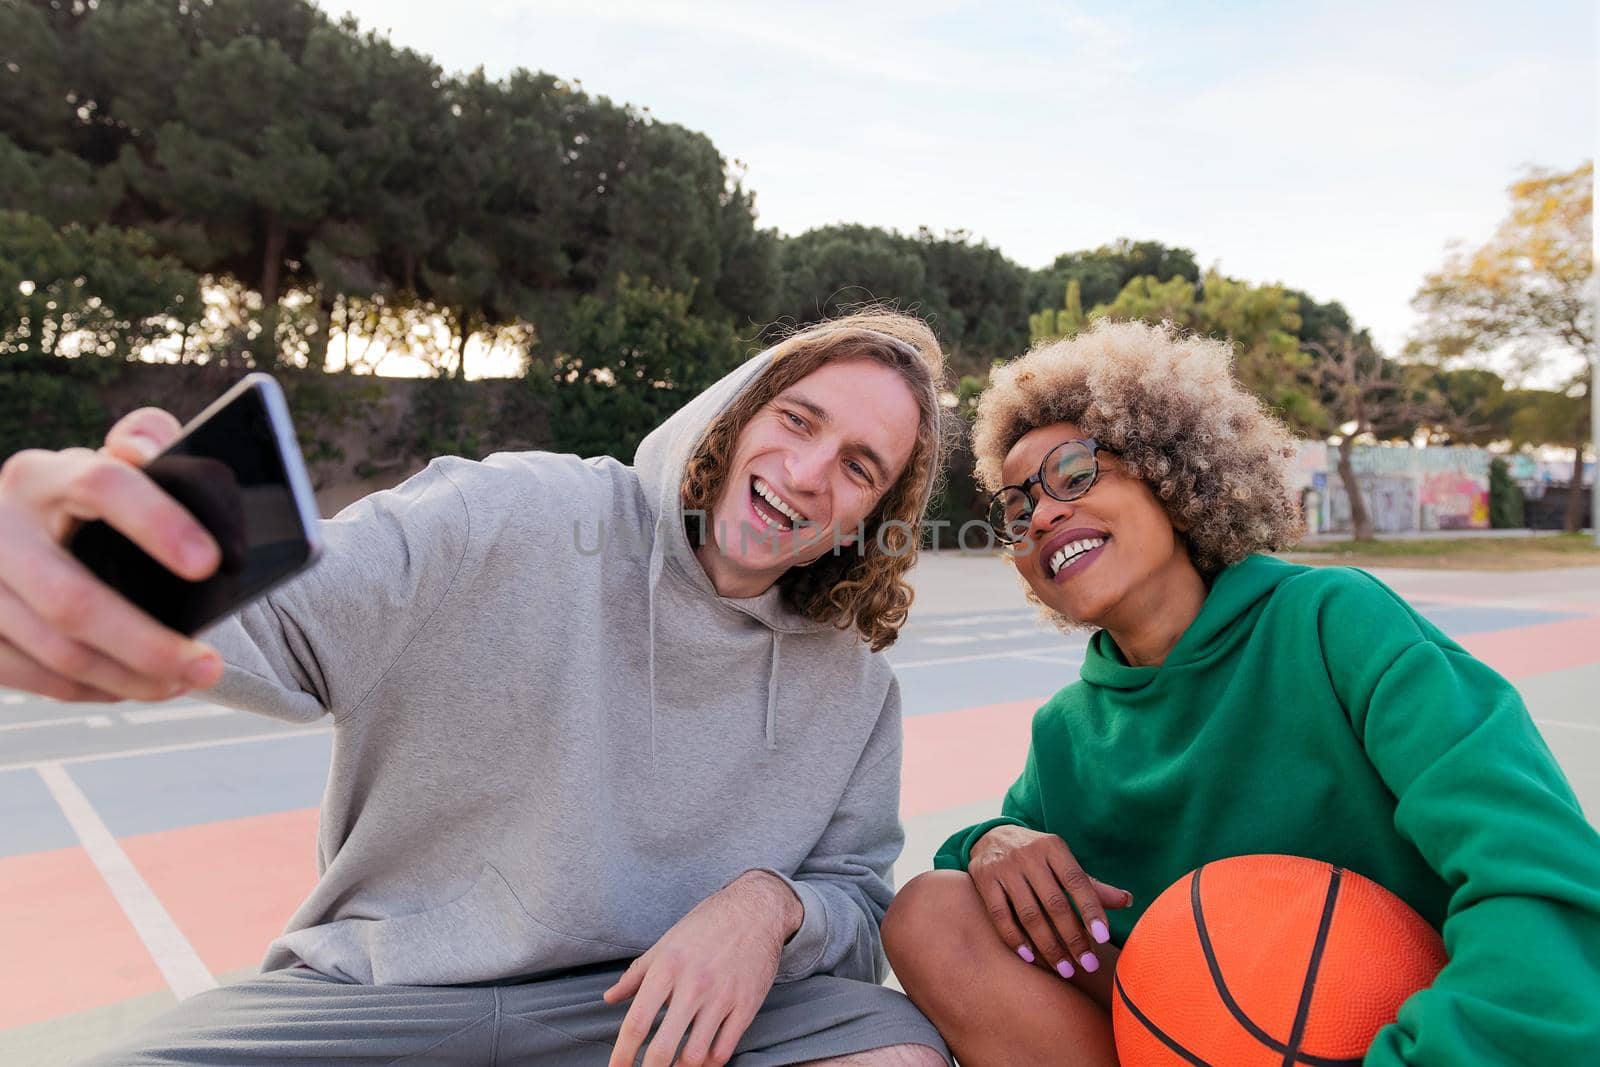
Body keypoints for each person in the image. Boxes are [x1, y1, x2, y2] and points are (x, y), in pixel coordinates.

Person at [0, 310, 953, 1066]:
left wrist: (770, 905)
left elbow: (857, 902)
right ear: (737, 411)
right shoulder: (515, 512)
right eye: (798, 418)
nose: (808, 470)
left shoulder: (855, 687)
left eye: (860, 466)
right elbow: (287, 616)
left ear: (873, 515)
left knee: (897, 1050)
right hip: (383, 996)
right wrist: (95, 557)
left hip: (642, 1018)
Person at [881, 319, 1600, 1066]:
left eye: (1075, 472)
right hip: (1198, 1031)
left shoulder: (1334, 624)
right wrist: (992, 840)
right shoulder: (1066, 734)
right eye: (1017, 509)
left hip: (1412, 1036)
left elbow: (1541, 878)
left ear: (1170, 470)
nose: (1045, 515)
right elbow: (992, 868)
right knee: (934, 910)